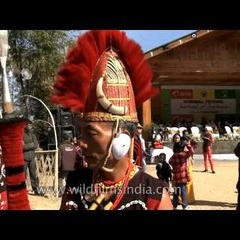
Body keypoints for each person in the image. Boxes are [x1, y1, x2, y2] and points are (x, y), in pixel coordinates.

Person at [51, 30, 173, 210]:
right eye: (81, 132)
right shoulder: (76, 182)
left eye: (91, 133)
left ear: (121, 140)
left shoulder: (153, 194)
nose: (81, 143)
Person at [169, 133, 194, 210]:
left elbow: (170, 162)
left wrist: (174, 167)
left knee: (176, 191)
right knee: (183, 191)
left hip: (176, 175)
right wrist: (188, 145)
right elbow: (191, 152)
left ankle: (174, 205)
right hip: (183, 175)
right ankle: (185, 206)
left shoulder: (174, 156)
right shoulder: (184, 154)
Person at [23, 124, 42, 196]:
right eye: (29, 125)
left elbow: (36, 144)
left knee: (34, 174)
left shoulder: (33, 135)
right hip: (24, 158)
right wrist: (31, 145)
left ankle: (36, 189)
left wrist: (27, 145)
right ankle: (23, 190)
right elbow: (22, 147)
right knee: (23, 175)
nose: (31, 127)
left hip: (32, 157)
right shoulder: (21, 135)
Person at [181, 129, 195, 204]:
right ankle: (182, 199)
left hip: (188, 164)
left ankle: (190, 198)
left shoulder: (190, 145)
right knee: (182, 181)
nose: (186, 135)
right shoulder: (180, 144)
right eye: (184, 134)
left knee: (189, 180)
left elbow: (192, 152)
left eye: (187, 134)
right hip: (182, 165)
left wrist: (189, 144)